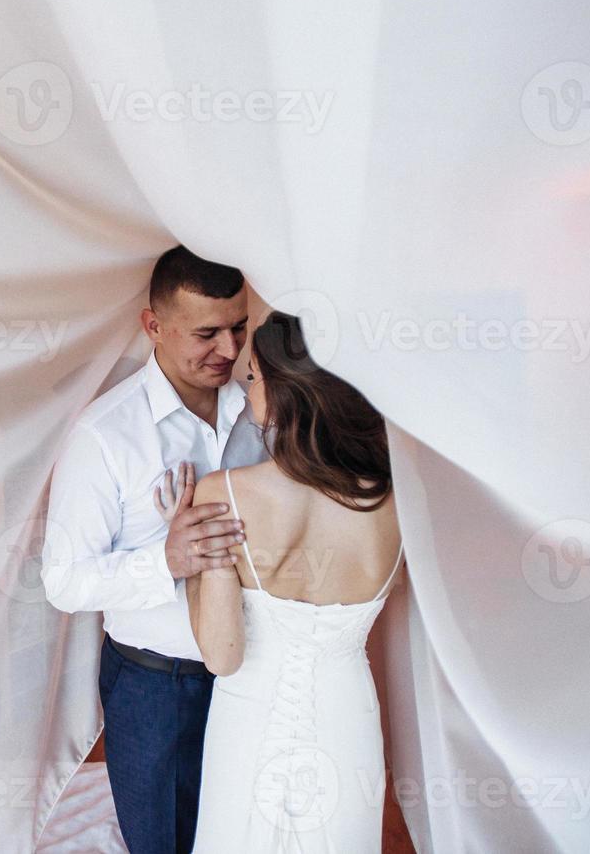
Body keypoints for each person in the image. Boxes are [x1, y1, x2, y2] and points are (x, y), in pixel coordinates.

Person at [41, 245, 268, 854]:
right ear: (154, 327)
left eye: (239, 328)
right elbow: (63, 581)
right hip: (156, 688)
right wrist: (165, 562)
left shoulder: (263, 410)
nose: (228, 350)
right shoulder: (104, 437)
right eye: (207, 333)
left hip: (258, 676)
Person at [186, 310, 403, 852]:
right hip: (345, 714)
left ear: (286, 393)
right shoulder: (398, 502)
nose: (248, 389)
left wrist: (189, 547)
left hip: (247, 711)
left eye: (255, 377)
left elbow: (222, 655)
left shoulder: (224, 493)